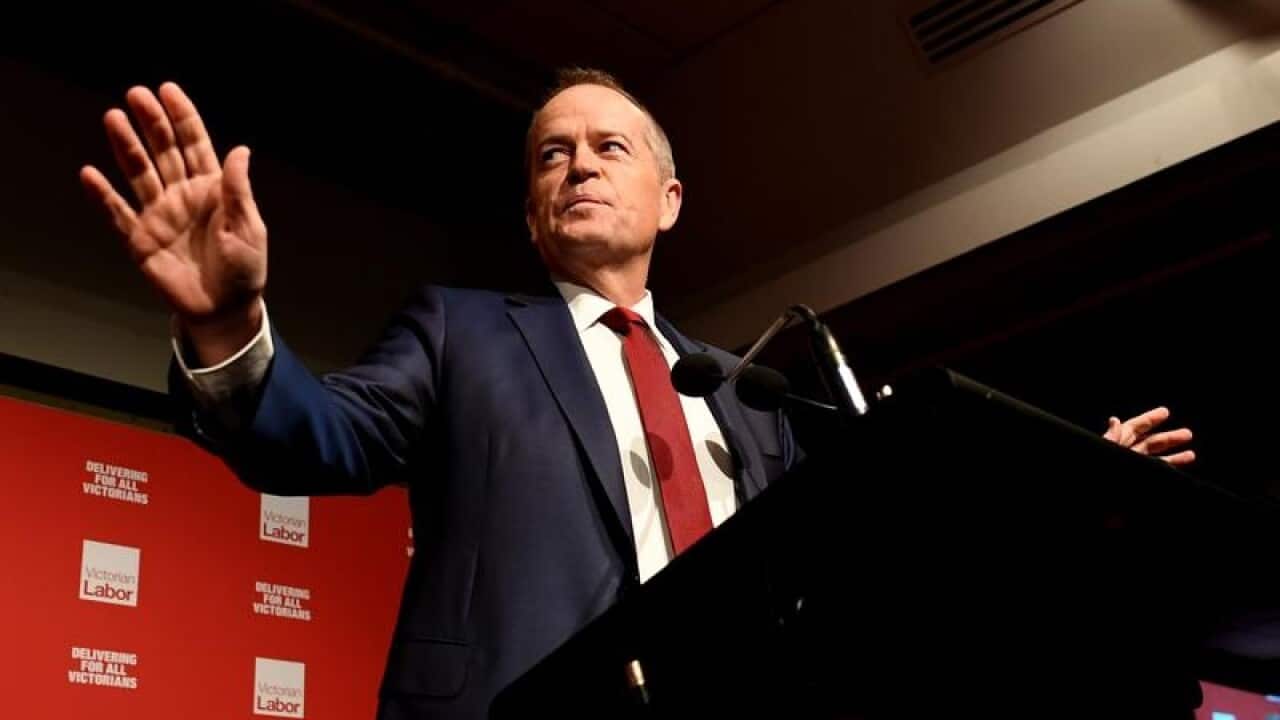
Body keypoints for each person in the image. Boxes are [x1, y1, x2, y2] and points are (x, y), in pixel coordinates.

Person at [79, 68, 1194, 719]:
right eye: (551, 155)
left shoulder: (750, 392)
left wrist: (1066, 495)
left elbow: (886, 558)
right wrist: (225, 324)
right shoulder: (460, 332)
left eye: (607, 146)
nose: (577, 164)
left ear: (665, 199)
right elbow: (314, 438)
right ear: (529, 216)